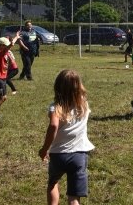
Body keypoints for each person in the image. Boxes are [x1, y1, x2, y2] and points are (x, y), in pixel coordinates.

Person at [39, 69, 95, 205]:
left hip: (58, 154)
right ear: (79, 87)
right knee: (74, 196)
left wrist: (44, 149)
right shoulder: (84, 105)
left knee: (53, 183)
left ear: (57, 87)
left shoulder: (55, 108)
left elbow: (53, 126)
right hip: (79, 155)